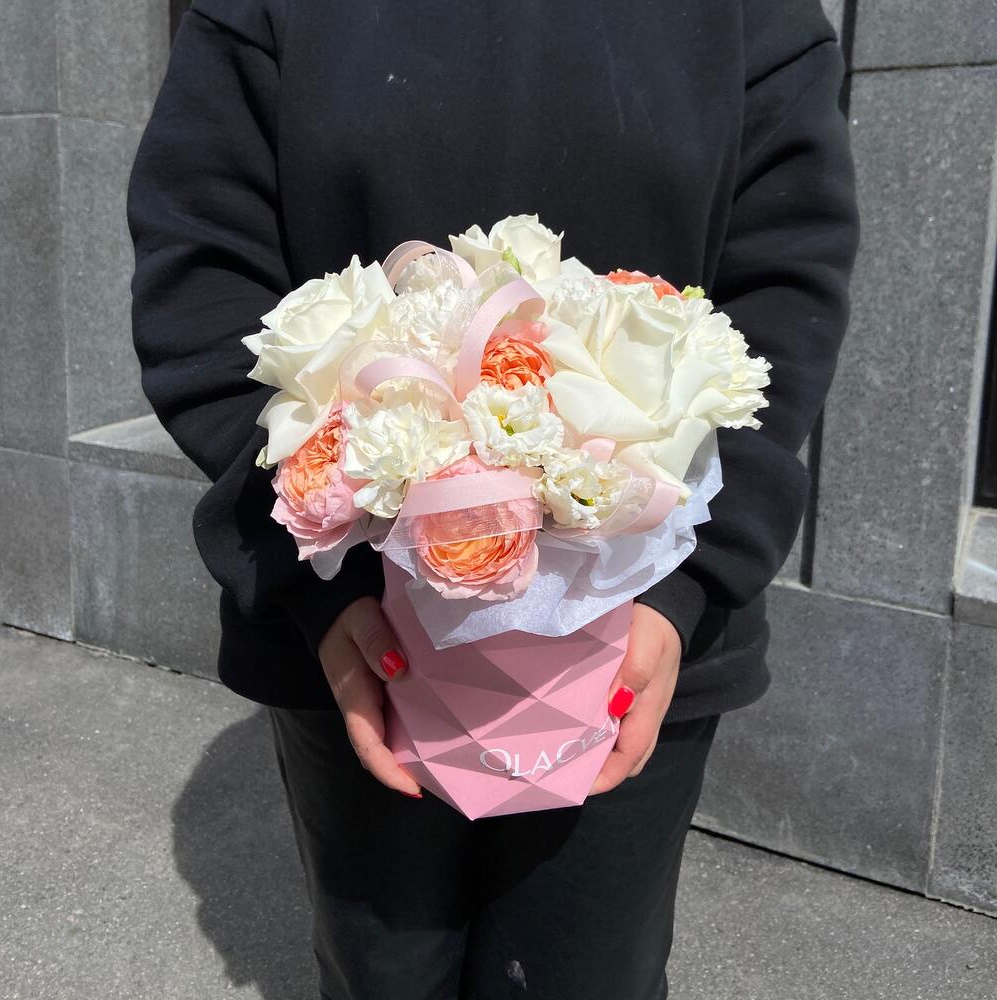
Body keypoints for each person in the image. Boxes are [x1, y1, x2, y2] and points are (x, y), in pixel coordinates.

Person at [127, 1, 859, 996]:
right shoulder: (267, 13)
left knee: (586, 975)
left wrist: (688, 581)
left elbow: (782, 299)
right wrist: (312, 570)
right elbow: (204, 283)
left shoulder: (749, 19)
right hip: (352, 632)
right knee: (382, 973)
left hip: (639, 638)